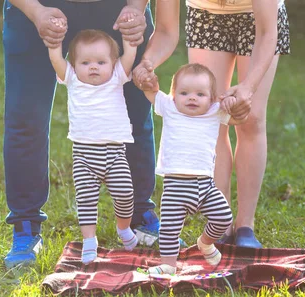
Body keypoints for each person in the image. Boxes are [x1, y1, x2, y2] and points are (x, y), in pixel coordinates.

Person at [2, 0, 162, 268]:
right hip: (38, 6)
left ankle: (140, 213)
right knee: (26, 117)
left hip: (116, 6)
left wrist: (135, 6)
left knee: (135, 111)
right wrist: (35, 11)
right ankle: (25, 227)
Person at [134, 0, 289, 248]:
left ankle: (246, 225)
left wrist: (248, 87)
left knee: (251, 118)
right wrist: (147, 62)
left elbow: (267, 32)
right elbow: (166, 29)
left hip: (259, 21)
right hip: (206, 16)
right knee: (210, 120)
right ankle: (222, 224)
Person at [141, 63, 250, 275]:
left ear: (211, 98)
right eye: (184, 93)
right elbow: (150, 92)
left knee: (223, 217)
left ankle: (205, 243)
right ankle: (169, 265)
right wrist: (149, 80)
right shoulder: (169, 107)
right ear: (174, 95)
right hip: (175, 186)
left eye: (200, 94)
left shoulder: (215, 112)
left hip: (205, 185)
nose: (192, 98)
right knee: (169, 230)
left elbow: (240, 119)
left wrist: (232, 103)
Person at [47, 27, 140, 264]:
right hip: (84, 156)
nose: (93, 67)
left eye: (101, 61)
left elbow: (129, 57)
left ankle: (123, 228)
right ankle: (90, 240)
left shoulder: (117, 77)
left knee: (125, 194)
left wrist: (130, 40)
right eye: (85, 62)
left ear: (113, 63)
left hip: (115, 154)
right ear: (75, 65)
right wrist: (55, 42)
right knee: (86, 200)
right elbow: (57, 59)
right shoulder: (72, 79)